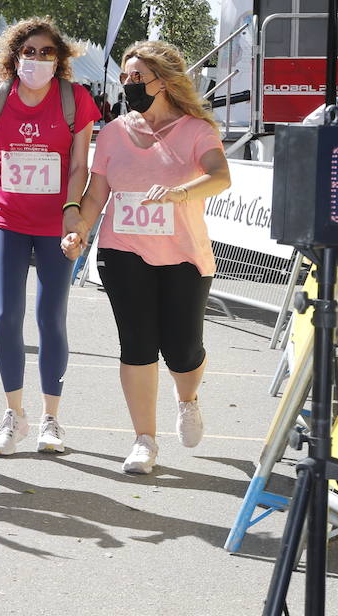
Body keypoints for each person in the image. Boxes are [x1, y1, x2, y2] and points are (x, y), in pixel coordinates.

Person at [62, 40, 231, 475]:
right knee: (136, 345)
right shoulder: (116, 132)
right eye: (125, 76)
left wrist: (180, 193)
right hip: (123, 252)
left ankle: (188, 399)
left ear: (164, 79)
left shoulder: (196, 130)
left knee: (182, 349)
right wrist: (78, 229)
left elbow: (220, 176)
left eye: (138, 77)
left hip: (183, 255)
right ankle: (144, 440)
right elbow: (98, 192)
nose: (129, 84)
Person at [0, 17, 100, 456]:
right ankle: (14, 416)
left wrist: (72, 214)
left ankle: (51, 419)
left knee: (50, 316)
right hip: (6, 219)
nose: (36, 59)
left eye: (46, 53)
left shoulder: (76, 100)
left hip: (56, 223)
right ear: (14, 57)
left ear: (61, 60)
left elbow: (80, 165)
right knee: (5, 316)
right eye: (29, 52)